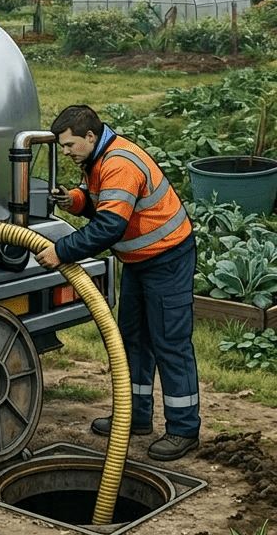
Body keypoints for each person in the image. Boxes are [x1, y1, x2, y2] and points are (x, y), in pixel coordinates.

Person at [33, 105, 199, 461]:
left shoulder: (119, 163)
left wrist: (61, 251)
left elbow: (110, 226)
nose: (65, 152)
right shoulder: (97, 159)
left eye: (68, 145)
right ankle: (137, 417)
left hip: (168, 259)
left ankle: (184, 430)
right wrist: (74, 200)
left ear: (90, 137)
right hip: (141, 261)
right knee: (134, 338)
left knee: (169, 341)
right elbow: (99, 202)